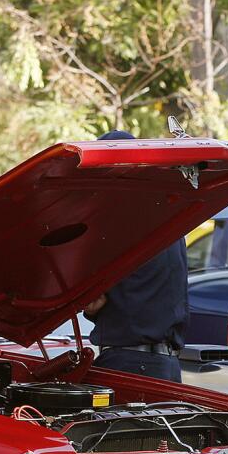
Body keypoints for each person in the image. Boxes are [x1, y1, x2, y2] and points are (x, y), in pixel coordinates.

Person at [83, 129, 188, 382]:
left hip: (127, 365)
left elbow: (93, 301)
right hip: (169, 366)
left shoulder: (112, 225)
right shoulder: (172, 219)